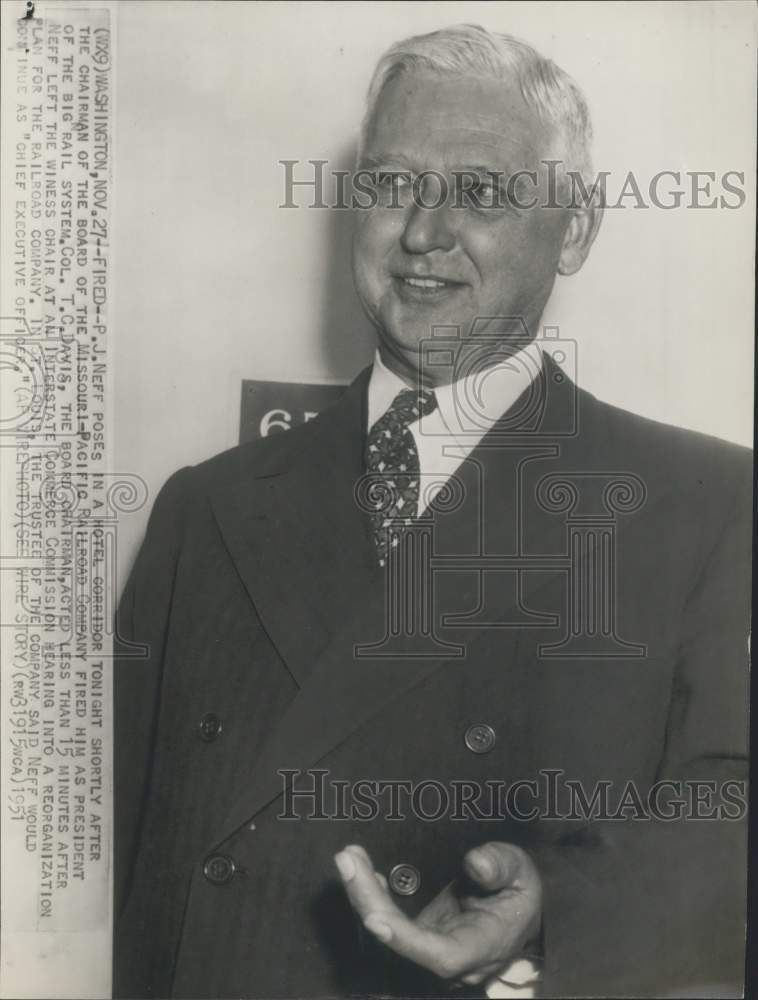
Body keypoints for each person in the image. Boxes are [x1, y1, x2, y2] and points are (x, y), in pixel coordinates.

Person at [113, 24, 751, 999]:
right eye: (389, 182)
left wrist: (557, 907)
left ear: (573, 227)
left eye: (481, 192)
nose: (419, 233)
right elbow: (98, 846)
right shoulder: (206, 504)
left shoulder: (707, 507)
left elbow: (732, 817)